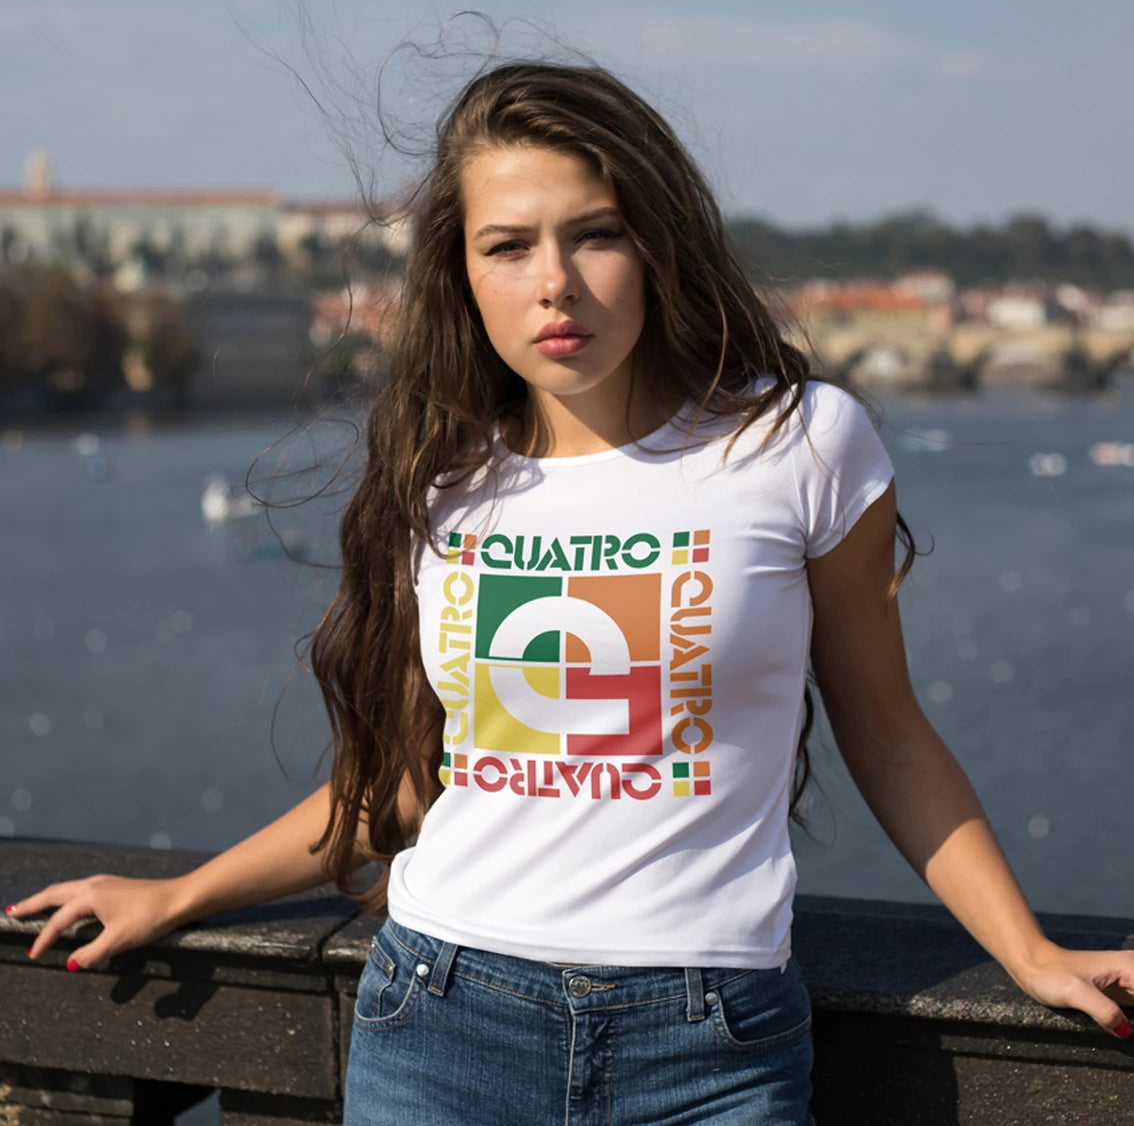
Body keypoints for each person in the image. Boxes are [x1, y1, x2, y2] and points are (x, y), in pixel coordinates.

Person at [8, 61, 1133, 1125]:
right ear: (462, 276)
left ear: (657, 243)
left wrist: (1028, 950)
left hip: (710, 1043)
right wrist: (183, 895)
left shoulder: (798, 444)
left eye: (594, 234)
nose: (555, 282)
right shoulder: (441, 481)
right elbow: (408, 788)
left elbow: (888, 736)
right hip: (439, 1021)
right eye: (507, 246)